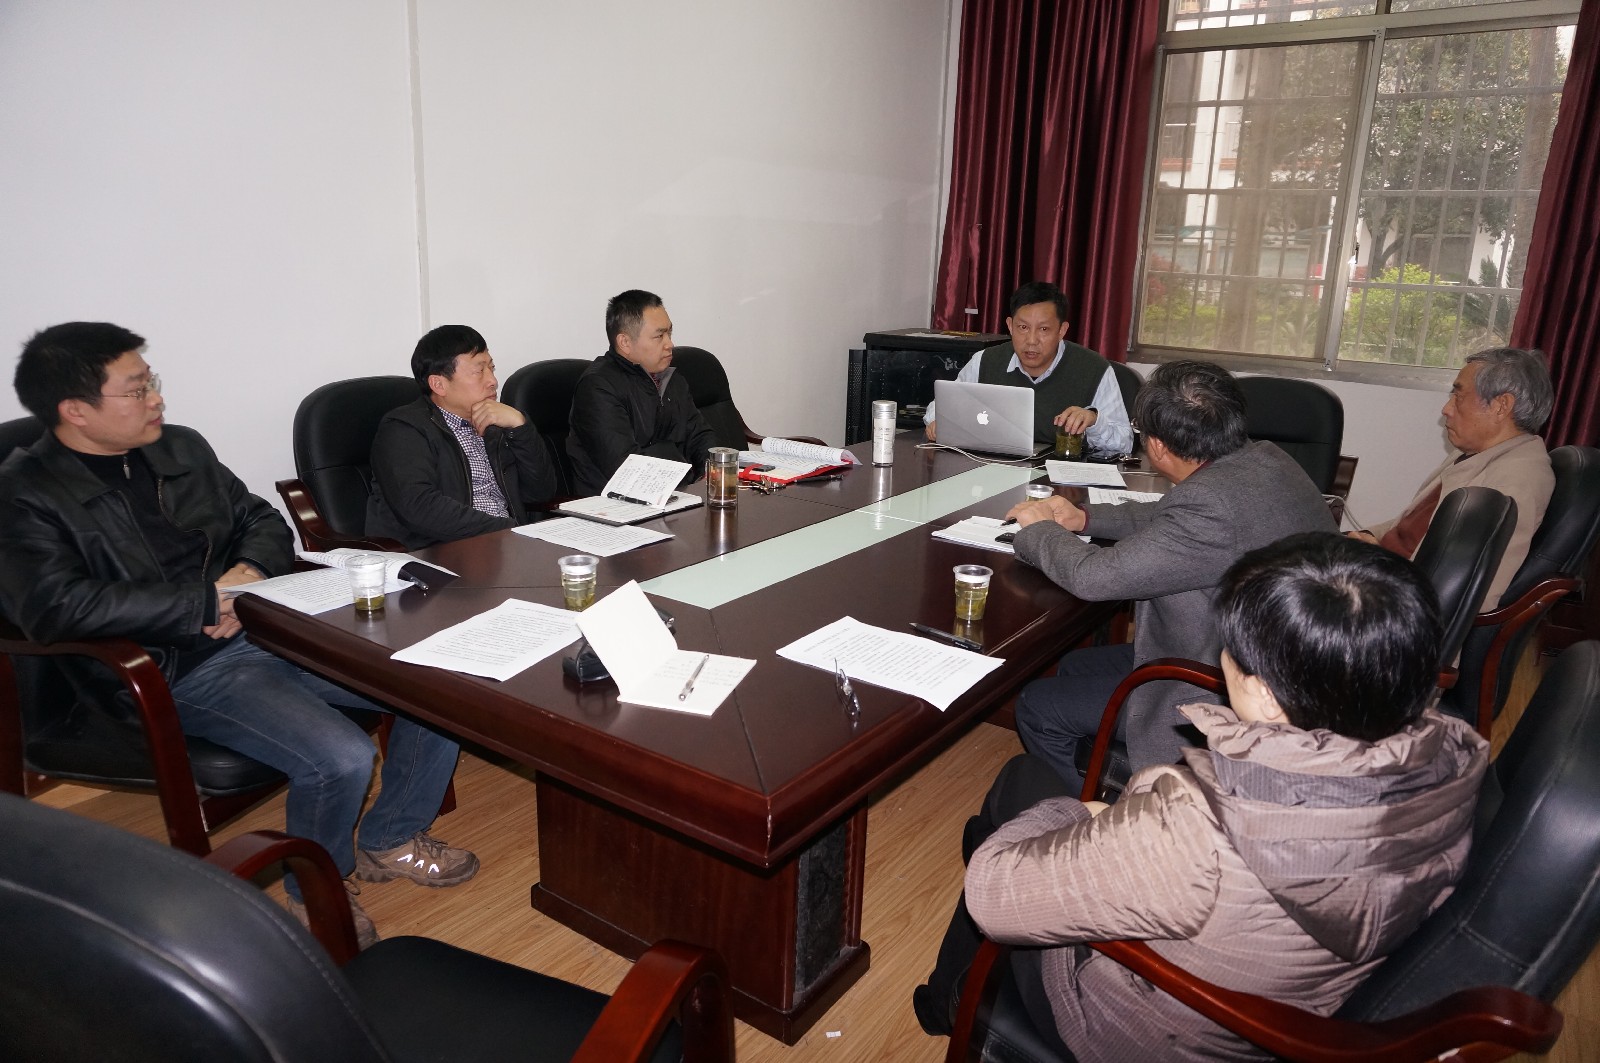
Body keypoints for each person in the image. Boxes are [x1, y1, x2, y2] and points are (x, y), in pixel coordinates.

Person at [914, 534, 1488, 1061]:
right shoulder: (1449, 759)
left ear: (1266, 696)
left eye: (1231, 651)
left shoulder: (1199, 829)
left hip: (1144, 1028)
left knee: (1020, 787)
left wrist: (1079, 815)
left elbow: (992, 896)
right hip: (1278, 1002)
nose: (1223, 658)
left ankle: (948, 1003)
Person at [0, 322, 476, 948]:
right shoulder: (26, 492)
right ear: (76, 410)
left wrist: (246, 574)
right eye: (137, 389)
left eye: (152, 382)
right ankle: (318, 890)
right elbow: (53, 607)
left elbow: (260, 518)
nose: (156, 399)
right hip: (168, 667)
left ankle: (391, 837)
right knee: (340, 757)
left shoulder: (180, 448)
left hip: (263, 625)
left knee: (438, 684)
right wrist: (200, 604)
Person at [1008, 360, 1335, 784]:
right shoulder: (1264, 459)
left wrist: (1040, 531)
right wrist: (1084, 518)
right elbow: (1172, 518)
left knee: (1037, 705)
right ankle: (1098, 776)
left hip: (1223, 688)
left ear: (1158, 447)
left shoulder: (1211, 506)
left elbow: (1094, 578)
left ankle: (1092, 818)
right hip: (1280, 659)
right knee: (1075, 666)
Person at [1354, 347, 1554, 611]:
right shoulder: (1473, 453)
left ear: (1501, 406)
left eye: (1458, 396)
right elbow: (1408, 526)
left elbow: (1468, 594)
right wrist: (1366, 537)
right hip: (1384, 576)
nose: (1446, 409)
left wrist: (1377, 563)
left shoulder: (1515, 483)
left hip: (1395, 608)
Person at [366, 324, 557, 549]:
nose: (493, 381)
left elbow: (541, 493)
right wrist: (508, 531)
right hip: (444, 551)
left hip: (507, 545)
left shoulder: (498, 423)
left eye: (492, 368)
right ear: (439, 384)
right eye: (479, 371)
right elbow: (420, 507)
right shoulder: (404, 429)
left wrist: (520, 426)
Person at [924, 281, 1133, 456]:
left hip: (1062, 479)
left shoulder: (1094, 369)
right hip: (993, 467)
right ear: (1010, 326)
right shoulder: (985, 361)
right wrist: (937, 421)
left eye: (1044, 329)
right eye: (1023, 327)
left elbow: (1125, 443)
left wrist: (1094, 422)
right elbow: (943, 403)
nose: (1031, 340)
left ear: (1062, 330)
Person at [566, 290, 718, 496]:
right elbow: (627, 469)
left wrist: (711, 474)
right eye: (659, 336)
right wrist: (682, 466)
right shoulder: (598, 388)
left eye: (669, 333)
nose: (670, 344)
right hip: (616, 505)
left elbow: (699, 435)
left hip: (676, 495)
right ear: (625, 343)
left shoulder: (670, 378)